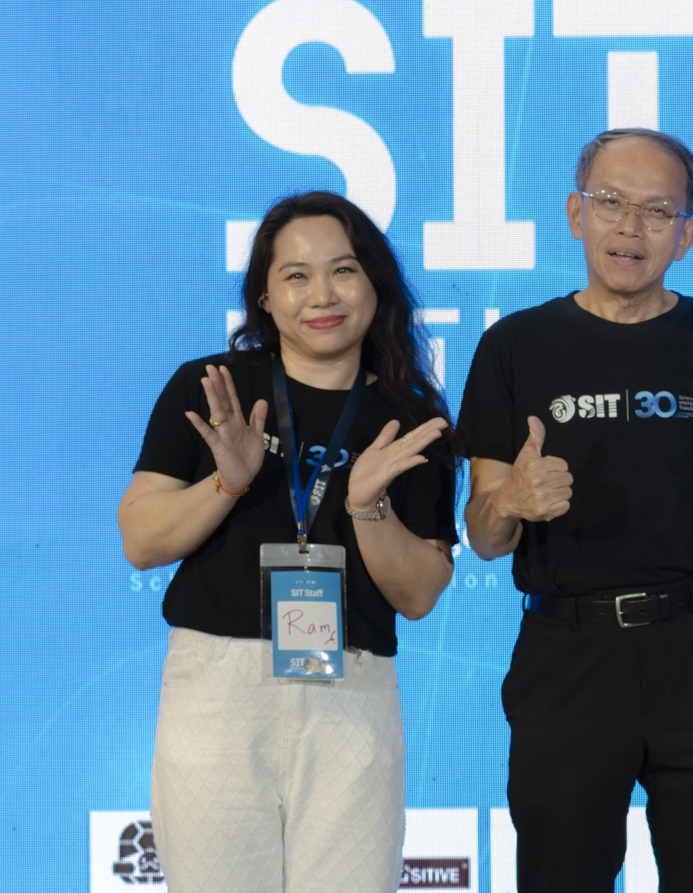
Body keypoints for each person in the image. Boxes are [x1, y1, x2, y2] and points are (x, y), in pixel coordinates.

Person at [460, 128, 693, 893]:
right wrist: (510, 499)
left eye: (657, 210)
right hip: (568, 656)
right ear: (576, 212)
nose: (630, 226)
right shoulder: (514, 346)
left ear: (687, 235)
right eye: (611, 201)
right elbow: (483, 534)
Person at [117, 190, 460, 893]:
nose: (322, 295)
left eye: (344, 270)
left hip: (352, 693)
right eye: (297, 275)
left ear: (376, 285)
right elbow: (142, 541)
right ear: (265, 298)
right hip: (218, 689)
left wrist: (367, 506)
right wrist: (226, 483)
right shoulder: (213, 389)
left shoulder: (409, 419)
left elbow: (420, 592)